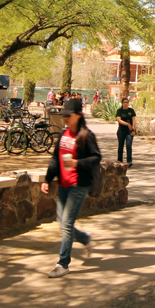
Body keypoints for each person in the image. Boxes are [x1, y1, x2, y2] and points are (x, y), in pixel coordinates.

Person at [41, 98, 100, 278]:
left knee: (66, 224)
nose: (66, 118)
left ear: (79, 115)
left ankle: (63, 263)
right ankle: (84, 238)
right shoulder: (63, 134)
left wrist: (77, 163)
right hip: (63, 184)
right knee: (63, 223)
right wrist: (47, 179)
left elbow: (96, 158)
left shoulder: (86, 135)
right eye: (64, 115)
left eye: (69, 115)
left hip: (78, 185)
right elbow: (54, 159)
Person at [115, 97, 136, 166]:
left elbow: (134, 120)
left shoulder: (131, 110)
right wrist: (127, 124)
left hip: (129, 132)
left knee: (128, 145)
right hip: (121, 131)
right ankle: (119, 161)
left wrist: (134, 130)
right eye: (125, 102)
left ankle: (129, 161)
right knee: (120, 146)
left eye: (127, 102)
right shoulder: (119, 111)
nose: (126, 104)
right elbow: (119, 119)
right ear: (122, 103)